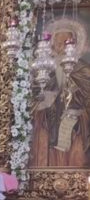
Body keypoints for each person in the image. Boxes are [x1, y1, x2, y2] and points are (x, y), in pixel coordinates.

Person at [31, 18, 90, 168]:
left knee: (75, 153)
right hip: (47, 120)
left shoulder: (83, 69)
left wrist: (76, 108)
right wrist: (44, 100)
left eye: (65, 43)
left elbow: (87, 94)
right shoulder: (44, 69)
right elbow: (35, 94)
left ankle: (76, 175)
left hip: (75, 122)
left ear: (73, 45)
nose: (61, 47)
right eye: (57, 43)